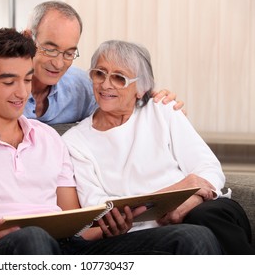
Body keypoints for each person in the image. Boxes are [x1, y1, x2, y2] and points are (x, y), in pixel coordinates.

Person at [0, 28, 222, 255]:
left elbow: (76, 225)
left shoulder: (49, 139)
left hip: (67, 249)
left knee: (192, 238)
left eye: (28, 79)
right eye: (8, 81)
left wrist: (113, 226)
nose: (21, 93)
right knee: (32, 238)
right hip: (6, 251)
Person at [0, 0, 183, 155]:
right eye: (50, 49)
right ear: (28, 37)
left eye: (69, 53)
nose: (58, 63)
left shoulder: (81, 86)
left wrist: (152, 99)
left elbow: (121, 113)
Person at [62, 40, 254, 255]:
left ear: (141, 88)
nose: (106, 84)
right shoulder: (74, 141)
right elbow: (97, 206)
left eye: (119, 78)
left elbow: (208, 167)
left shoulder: (162, 111)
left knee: (206, 217)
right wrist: (175, 191)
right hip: (142, 232)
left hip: (198, 207)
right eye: (99, 74)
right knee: (192, 235)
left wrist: (193, 198)